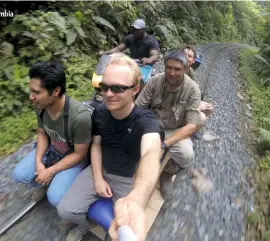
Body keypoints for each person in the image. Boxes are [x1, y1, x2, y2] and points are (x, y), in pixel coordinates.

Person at [57, 54, 164, 241]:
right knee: (65, 210)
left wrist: (137, 198)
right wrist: (98, 178)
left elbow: (151, 152)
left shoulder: (146, 122)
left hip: (128, 179)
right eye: (104, 87)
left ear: (135, 89)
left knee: (125, 229)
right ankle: (85, 226)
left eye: (118, 88)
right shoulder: (99, 112)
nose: (108, 94)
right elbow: (96, 145)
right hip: (101, 169)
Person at [12, 61, 92, 208]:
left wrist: (50, 171)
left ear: (55, 91)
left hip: (72, 156)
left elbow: (80, 154)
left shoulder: (80, 117)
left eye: (37, 92)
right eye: (31, 91)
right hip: (52, 150)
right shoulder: (41, 106)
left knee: (55, 198)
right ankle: (46, 182)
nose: (31, 97)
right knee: (19, 174)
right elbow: (42, 134)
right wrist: (39, 162)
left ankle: (72, 199)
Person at [135, 49, 203, 176]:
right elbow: (139, 107)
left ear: (185, 68)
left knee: (186, 155)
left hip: (175, 129)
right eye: (169, 68)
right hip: (152, 124)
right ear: (165, 66)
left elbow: (192, 125)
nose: (172, 73)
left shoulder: (193, 89)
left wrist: (165, 144)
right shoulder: (155, 81)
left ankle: (167, 173)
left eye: (177, 69)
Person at [183, 45, 214, 121]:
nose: (186, 57)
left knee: (208, 108)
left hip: (186, 98)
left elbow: (194, 89)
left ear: (193, 60)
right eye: (184, 55)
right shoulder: (174, 67)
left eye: (189, 56)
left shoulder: (190, 71)